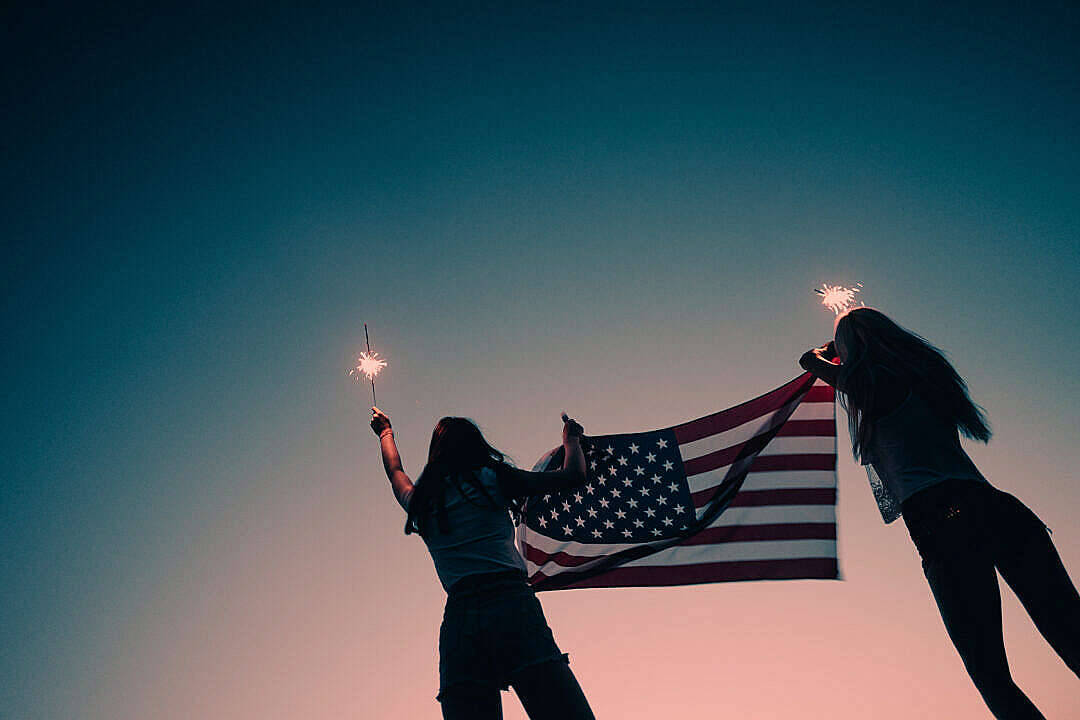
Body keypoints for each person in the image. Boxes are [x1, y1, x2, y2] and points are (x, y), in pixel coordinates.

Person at [800, 307, 1080, 719]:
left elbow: (809, 362)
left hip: (945, 525)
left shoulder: (872, 383)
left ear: (852, 348)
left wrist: (832, 346)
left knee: (990, 674)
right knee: (1070, 634)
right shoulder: (923, 381)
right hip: (1000, 511)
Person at [370, 407, 596, 720]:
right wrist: (572, 441)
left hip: (461, 620)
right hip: (512, 605)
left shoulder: (423, 501)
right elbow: (574, 476)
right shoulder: (493, 479)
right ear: (477, 446)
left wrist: (385, 433)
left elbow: (395, 473)